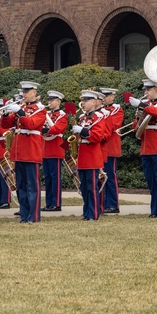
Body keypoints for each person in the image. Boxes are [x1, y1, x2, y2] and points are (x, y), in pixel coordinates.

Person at [3, 81, 46, 223]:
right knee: (21, 185)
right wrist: (5, 113)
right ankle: (24, 214)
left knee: (31, 185)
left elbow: (32, 124)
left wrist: (20, 112)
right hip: (19, 151)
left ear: (34, 92)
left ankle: (33, 216)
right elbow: (6, 125)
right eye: (23, 91)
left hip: (31, 150)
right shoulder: (21, 107)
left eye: (27, 91)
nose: (24, 94)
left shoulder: (40, 109)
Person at [128, 80, 157, 218]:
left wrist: (142, 105)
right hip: (146, 147)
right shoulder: (147, 105)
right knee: (151, 181)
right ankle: (154, 210)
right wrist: (138, 117)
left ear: (156, 89)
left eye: (148, 90)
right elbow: (136, 125)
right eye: (145, 90)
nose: (145, 92)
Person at [73, 90, 110, 221]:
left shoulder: (99, 117)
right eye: (82, 100)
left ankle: (93, 213)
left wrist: (82, 131)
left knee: (92, 187)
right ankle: (86, 212)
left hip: (92, 155)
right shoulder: (83, 118)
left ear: (94, 102)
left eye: (86, 100)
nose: (83, 103)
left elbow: (98, 136)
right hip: (82, 155)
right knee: (84, 187)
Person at [41, 90, 68, 213]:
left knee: (55, 177)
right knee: (47, 178)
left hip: (56, 148)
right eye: (49, 100)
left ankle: (56, 203)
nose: (49, 102)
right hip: (45, 148)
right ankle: (49, 203)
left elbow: (58, 128)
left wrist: (46, 130)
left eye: (52, 100)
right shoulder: (46, 114)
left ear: (58, 101)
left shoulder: (62, 115)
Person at [99, 88, 123, 214]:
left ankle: (113, 205)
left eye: (106, 96)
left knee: (110, 176)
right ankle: (102, 204)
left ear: (112, 97)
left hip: (110, 147)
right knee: (101, 177)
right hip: (99, 147)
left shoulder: (116, 110)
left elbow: (112, 125)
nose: (103, 98)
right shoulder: (100, 111)